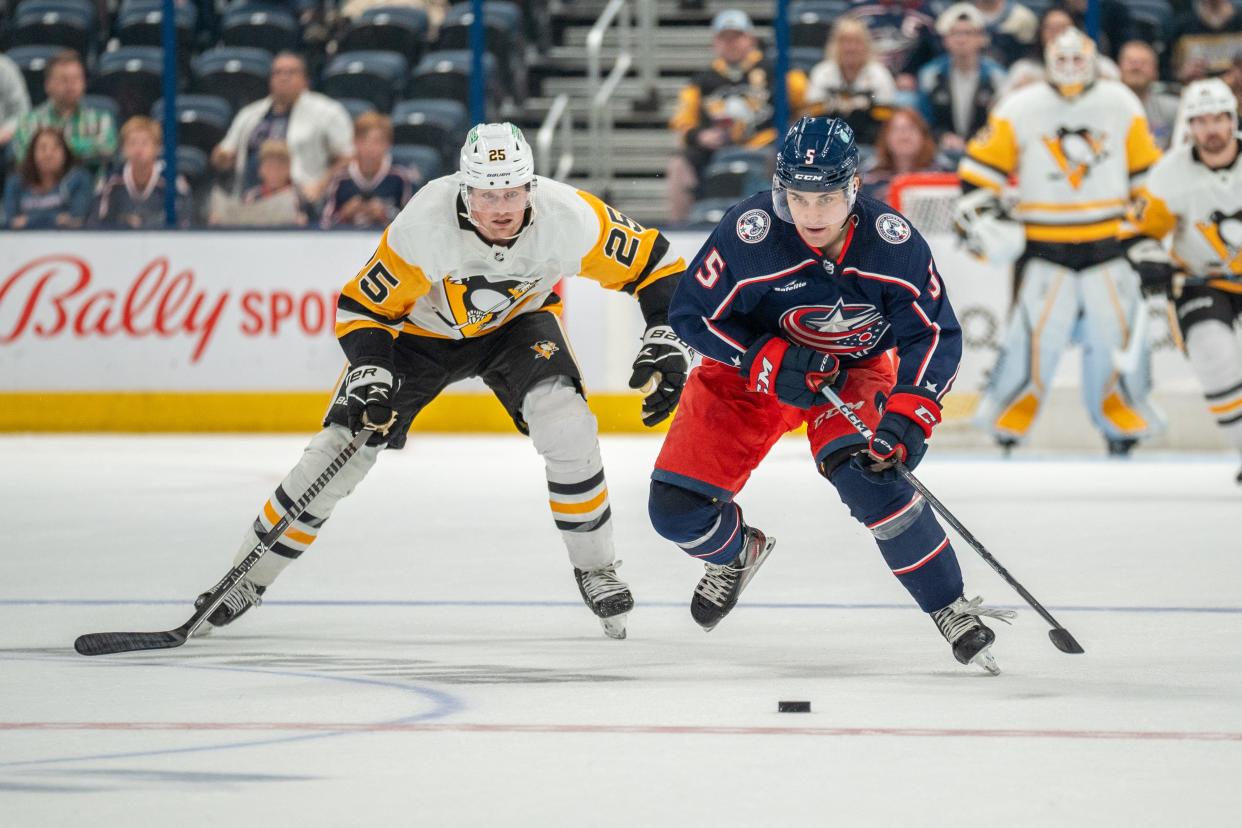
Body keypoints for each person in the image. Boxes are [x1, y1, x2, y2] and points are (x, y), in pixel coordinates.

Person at [190, 123, 690, 641]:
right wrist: (370, 374)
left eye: (513, 191)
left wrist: (666, 334)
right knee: (339, 452)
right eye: (488, 193)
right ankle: (245, 580)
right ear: (464, 189)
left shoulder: (570, 217)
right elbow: (364, 307)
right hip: (416, 335)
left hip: (518, 325)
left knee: (567, 425)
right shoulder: (425, 223)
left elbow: (658, 264)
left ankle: (596, 568)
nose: (501, 207)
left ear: (532, 187)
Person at [647, 115, 1015, 675]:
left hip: (852, 373)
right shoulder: (749, 234)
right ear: (780, 191)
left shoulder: (893, 244)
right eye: (797, 198)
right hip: (751, 373)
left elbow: (933, 334)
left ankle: (950, 607)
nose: (811, 215)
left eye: (825, 199)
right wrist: (762, 360)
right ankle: (734, 554)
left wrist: (910, 416)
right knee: (674, 512)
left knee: (873, 479)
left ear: (853, 188)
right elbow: (689, 315)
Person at [957, 28, 1165, 455]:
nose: (1070, 67)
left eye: (1078, 59)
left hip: (1110, 244)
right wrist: (987, 220)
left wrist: (1146, 232)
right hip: (1044, 247)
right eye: (1062, 59)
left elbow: (1148, 176)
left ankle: (1121, 425)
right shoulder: (1019, 106)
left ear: (1092, 59)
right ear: (1047, 59)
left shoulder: (1120, 102)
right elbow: (978, 173)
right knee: (1031, 341)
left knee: (1116, 341)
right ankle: (1008, 425)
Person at [1127, 79, 1242, 483]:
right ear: (1189, 125)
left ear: (1233, 119)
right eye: (1202, 120)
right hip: (1201, 281)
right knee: (1215, 355)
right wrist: (1150, 259)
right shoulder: (1169, 173)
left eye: (1219, 119)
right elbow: (1138, 232)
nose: (1212, 129)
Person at [666, 9, 810, 223]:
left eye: (737, 36)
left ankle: (785, 221)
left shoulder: (776, 70)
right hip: (716, 151)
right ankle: (679, 228)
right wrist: (701, 136)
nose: (731, 43)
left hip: (766, 144)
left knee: (786, 156)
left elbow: (806, 104)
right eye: (725, 38)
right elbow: (681, 123)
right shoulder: (702, 80)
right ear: (715, 42)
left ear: (750, 39)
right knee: (678, 164)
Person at [211, 51, 353, 205]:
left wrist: (319, 186)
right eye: (278, 72)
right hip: (250, 199)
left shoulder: (328, 111)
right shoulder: (249, 114)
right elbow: (224, 154)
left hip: (301, 202)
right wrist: (222, 157)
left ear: (305, 80)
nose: (283, 77)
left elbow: (347, 157)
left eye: (291, 72)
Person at [11, 50, 116, 181]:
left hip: (90, 193)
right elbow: (24, 158)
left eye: (76, 78)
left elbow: (107, 151)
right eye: (64, 79)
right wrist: (81, 151)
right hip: (40, 194)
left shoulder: (101, 120)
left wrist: (53, 151)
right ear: (48, 85)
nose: (71, 85)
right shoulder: (29, 122)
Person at [917, 3, 1007, 155]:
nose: (961, 39)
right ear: (945, 40)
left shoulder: (997, 76)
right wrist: (942, 136)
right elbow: (924, 120)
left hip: (985, 149)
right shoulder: (930, 75)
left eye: (968, 33)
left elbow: (1000, 121)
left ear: (982, 39)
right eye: (955, 33)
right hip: (940, 151)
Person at [806, 18, 898, 145]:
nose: (850, 48)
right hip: (828, 146)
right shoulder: (822, 73)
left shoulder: (880, 75)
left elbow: (884, 125)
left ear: (866, 45)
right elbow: (816, 121)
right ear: (834, 45)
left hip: (870, 145)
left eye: (857, 42)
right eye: (844, 41)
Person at [320, 113, 420, 229]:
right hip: (346, 242)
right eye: (364, 141)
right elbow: (324, 224)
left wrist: (385, 214)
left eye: (378, 142)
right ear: (355, 142)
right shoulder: (341, 178)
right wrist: (344, 214)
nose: (371, 148)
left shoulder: (401, 177)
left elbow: (412, 223)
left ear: (388, 144)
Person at [93, 116, 192, 229]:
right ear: (123, 149)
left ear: (157, 148)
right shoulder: (111, 181)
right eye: (132, 143)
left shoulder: (172, 180)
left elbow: (184, 222)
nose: (138, 149)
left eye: (145, 143)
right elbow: (97, 222)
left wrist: (149, 223)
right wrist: (124, 222)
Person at [2, 127, 92, 229]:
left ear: (65, 153)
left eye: (55, 148)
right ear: (32, 153)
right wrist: (56, 218)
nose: (48, 154)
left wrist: (27, 220)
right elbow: (11, 223)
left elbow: (77, 220)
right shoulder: (16, 182)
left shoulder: (79, 179)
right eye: (42, 148)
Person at [859, 108, 954, 204]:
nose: (904, 135)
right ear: (885, 138)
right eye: (896, 129)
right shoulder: (868, 176)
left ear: (923, 136)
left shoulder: (943, 173)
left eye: (911, 128)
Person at [1117, 41, 1181, 150]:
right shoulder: (1104, 108)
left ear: (1156, 72)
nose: (1136, 67)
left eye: (1144, 63)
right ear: (1118, 68)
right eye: (1130, 62)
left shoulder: (1174, 109)